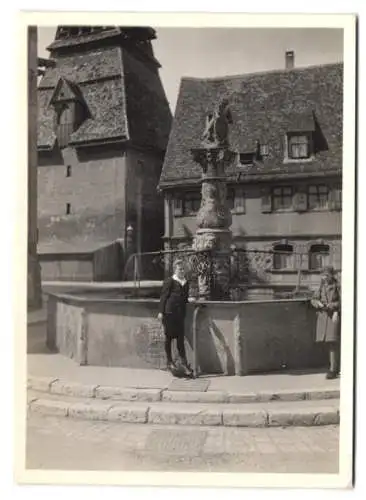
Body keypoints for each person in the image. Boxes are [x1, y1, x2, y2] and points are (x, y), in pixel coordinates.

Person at [158, 259, 194, 376]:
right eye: (180, 269)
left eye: (183, 269)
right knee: (168, 337)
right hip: (169, 313)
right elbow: (163, 296)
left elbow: (184, 298)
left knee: (180, 339)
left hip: (180, 314)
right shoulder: (170, 281)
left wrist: (189, 300)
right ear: (175, 270)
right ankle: (169, 361)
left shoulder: (186, 282)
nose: (182, 271)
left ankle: (184, 363)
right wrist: (161, 312)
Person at [311, 266, 341, 379]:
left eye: (326, 275)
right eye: (323, 275)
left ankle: (333, 370)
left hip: (334, 315)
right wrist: (317, 303)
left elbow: (343, 301)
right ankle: (332, 367)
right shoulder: (321, 286)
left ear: (331, 275)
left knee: (333, 342)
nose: (324, 277)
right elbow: (313, 299)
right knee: (327, 343)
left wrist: (333, 307)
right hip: (323, 317)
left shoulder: (337, 286)